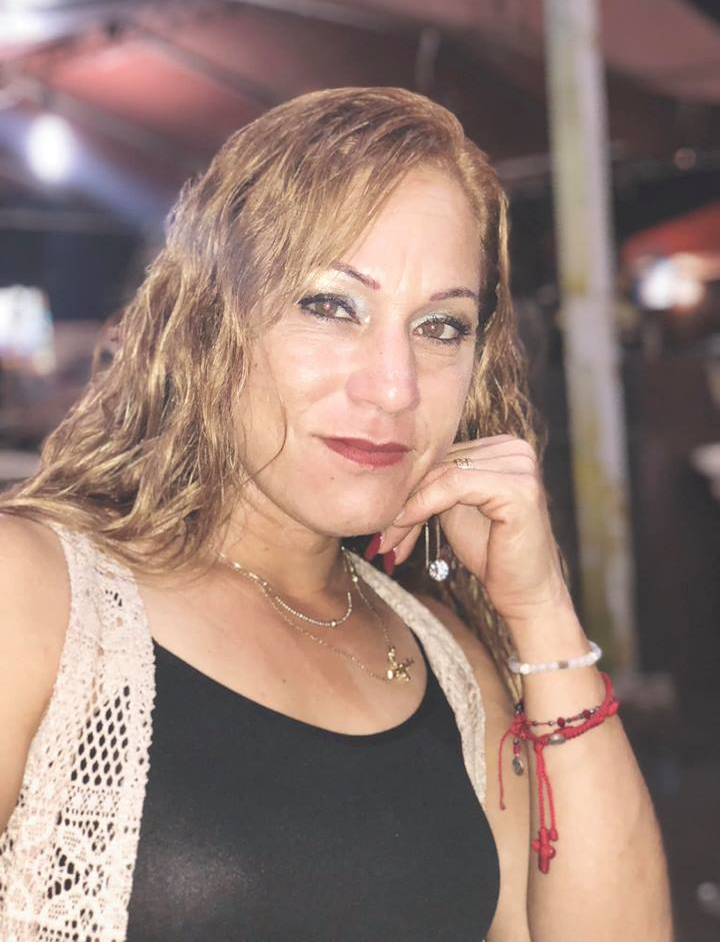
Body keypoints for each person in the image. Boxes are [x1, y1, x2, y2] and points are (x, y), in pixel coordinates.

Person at [0, 86, 672, 941]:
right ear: (211, 319)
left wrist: (541, 614)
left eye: (440, 326)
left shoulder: (451, 666)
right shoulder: (38, 600)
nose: (394, 388)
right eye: (330, 305)